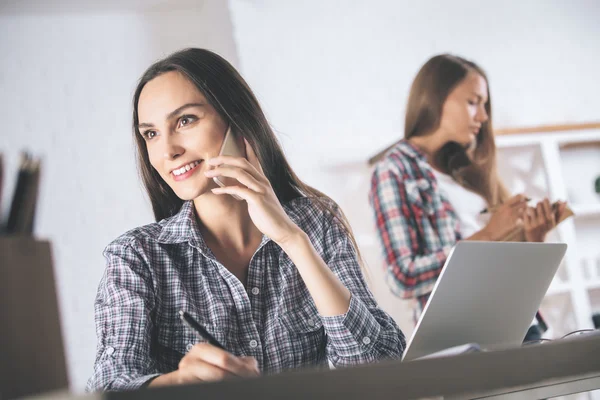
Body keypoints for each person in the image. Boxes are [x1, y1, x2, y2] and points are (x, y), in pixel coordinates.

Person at [87, 48, 405, 392]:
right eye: (151, 134)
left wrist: (292, 240)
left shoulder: (317, 222)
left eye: (185, 121)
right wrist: (177, 384)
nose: (167, 151)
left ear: (235, 120)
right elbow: (109, 384)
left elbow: (380, 368)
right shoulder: (136, 257)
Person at [368, 54, 565, 331]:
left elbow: (505, 265)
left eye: (484, 105)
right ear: (435, 99)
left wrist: (534, 239)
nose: (483, 117)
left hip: (521, 322)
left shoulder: (470, 169)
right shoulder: (394, 171)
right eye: (473, 102)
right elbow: (403, 277)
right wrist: (488, 234)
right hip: (466, 334)